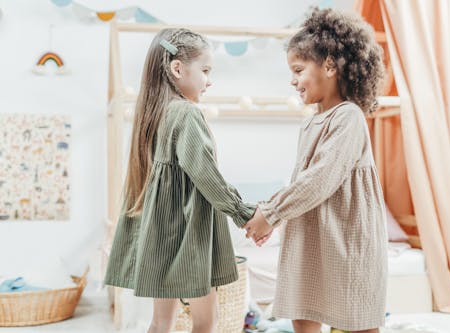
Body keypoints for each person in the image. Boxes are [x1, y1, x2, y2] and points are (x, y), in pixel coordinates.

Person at [244, 8, 388, 333]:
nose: (292, 80)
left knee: (359, 318)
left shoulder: (348, 117)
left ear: (330, 65)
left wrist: (272, 211)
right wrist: (273, 216)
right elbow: (302, 182)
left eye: (298, 70)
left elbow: (321, 179)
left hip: (347, 240)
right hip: (311, 238)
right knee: (303, 311)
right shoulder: (311, 121)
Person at [104, 28, 256, 333]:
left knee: (160, 322)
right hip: (191, 237)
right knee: (206, 322)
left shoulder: (153, 114)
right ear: (177, 68)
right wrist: (245, 213)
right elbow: (206, 175)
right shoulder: (186, 114)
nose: (209, 80)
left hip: (163, 234)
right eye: (205, 70)